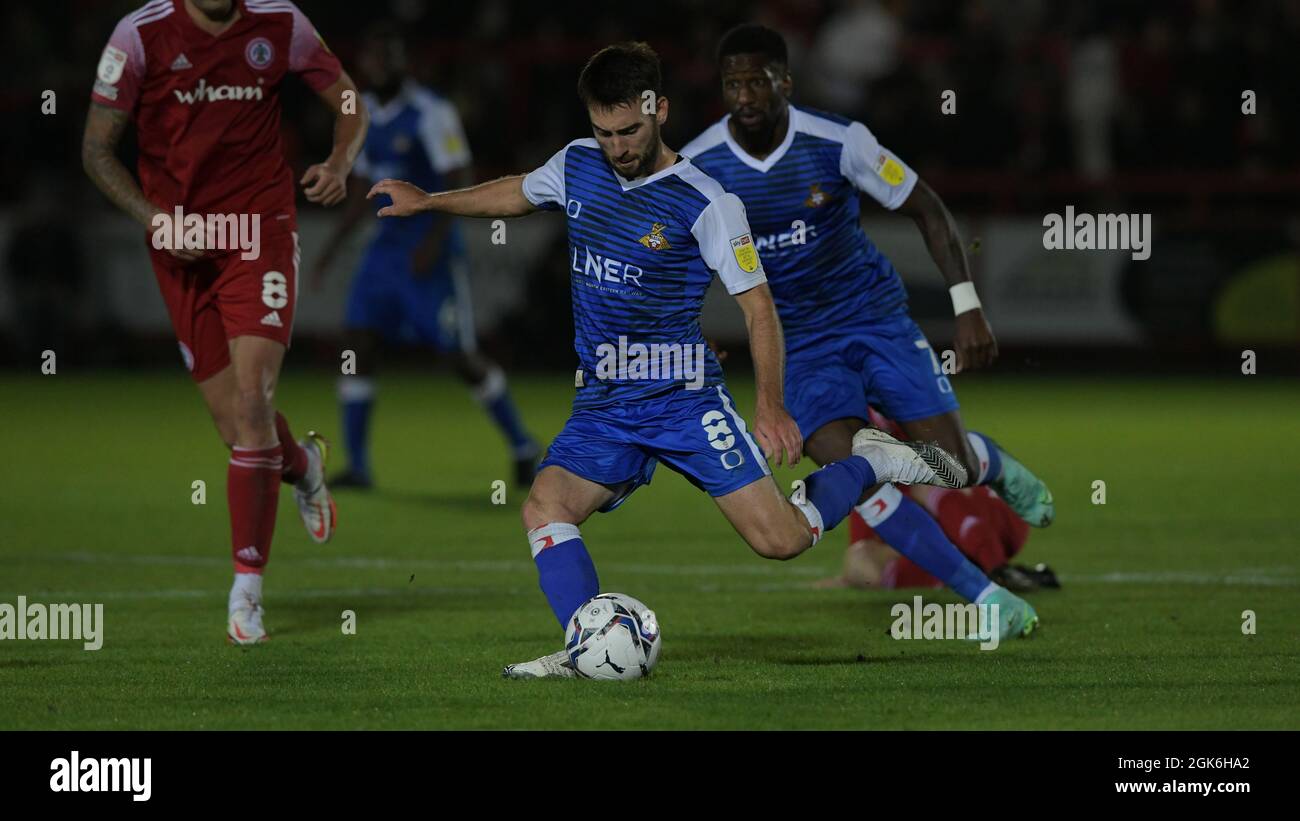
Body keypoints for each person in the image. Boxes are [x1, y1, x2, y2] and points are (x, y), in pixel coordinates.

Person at [367, 42, 1007, 679]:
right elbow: (515, 193)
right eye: (603, 131)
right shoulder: (577, 165)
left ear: (660, 110)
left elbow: (760, 309)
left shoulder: (707, 201)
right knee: (544, 506)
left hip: (683, 399)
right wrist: (428, 201)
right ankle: (589, 650)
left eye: (629, 131)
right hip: (606, 401)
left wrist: (770, 406)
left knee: (780, 541)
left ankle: (872, 461)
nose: (616, 146)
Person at [683, 23, 1052, 616]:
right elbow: (672, 256)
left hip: (873, 318)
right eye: (733, 84)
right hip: (797, 346)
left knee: (951, 468)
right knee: (861, 476)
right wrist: (689, 328)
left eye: (758, 82)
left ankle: (988, 460)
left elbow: (927, 208)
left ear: (786, 81)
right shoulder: (699, 165)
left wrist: (967, 306)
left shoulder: (838, 140)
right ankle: (984, 598)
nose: (745, 97)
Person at [82, 0, 368, 644]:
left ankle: (247, 589)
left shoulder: (280, 23)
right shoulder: (140, 36)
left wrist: (340, 163)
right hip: (179, 241)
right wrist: (155, 218)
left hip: (258, 230)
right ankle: (304, 466)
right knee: (236, 425)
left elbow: (349, 101)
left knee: (252, 399)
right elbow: (97, 151)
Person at [310, 22, 538, 489]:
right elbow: (362, 191)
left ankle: (523, 446)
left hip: (428, 250)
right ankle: (358, 465)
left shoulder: (432, 113)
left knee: (459, 356)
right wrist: (330, 250)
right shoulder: (366, 112)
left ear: (402, 62)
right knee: (357, 345)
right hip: (385, 250)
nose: (379, 64)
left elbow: (459, 175)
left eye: (387, 55)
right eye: (372, 56)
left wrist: (433, 242)